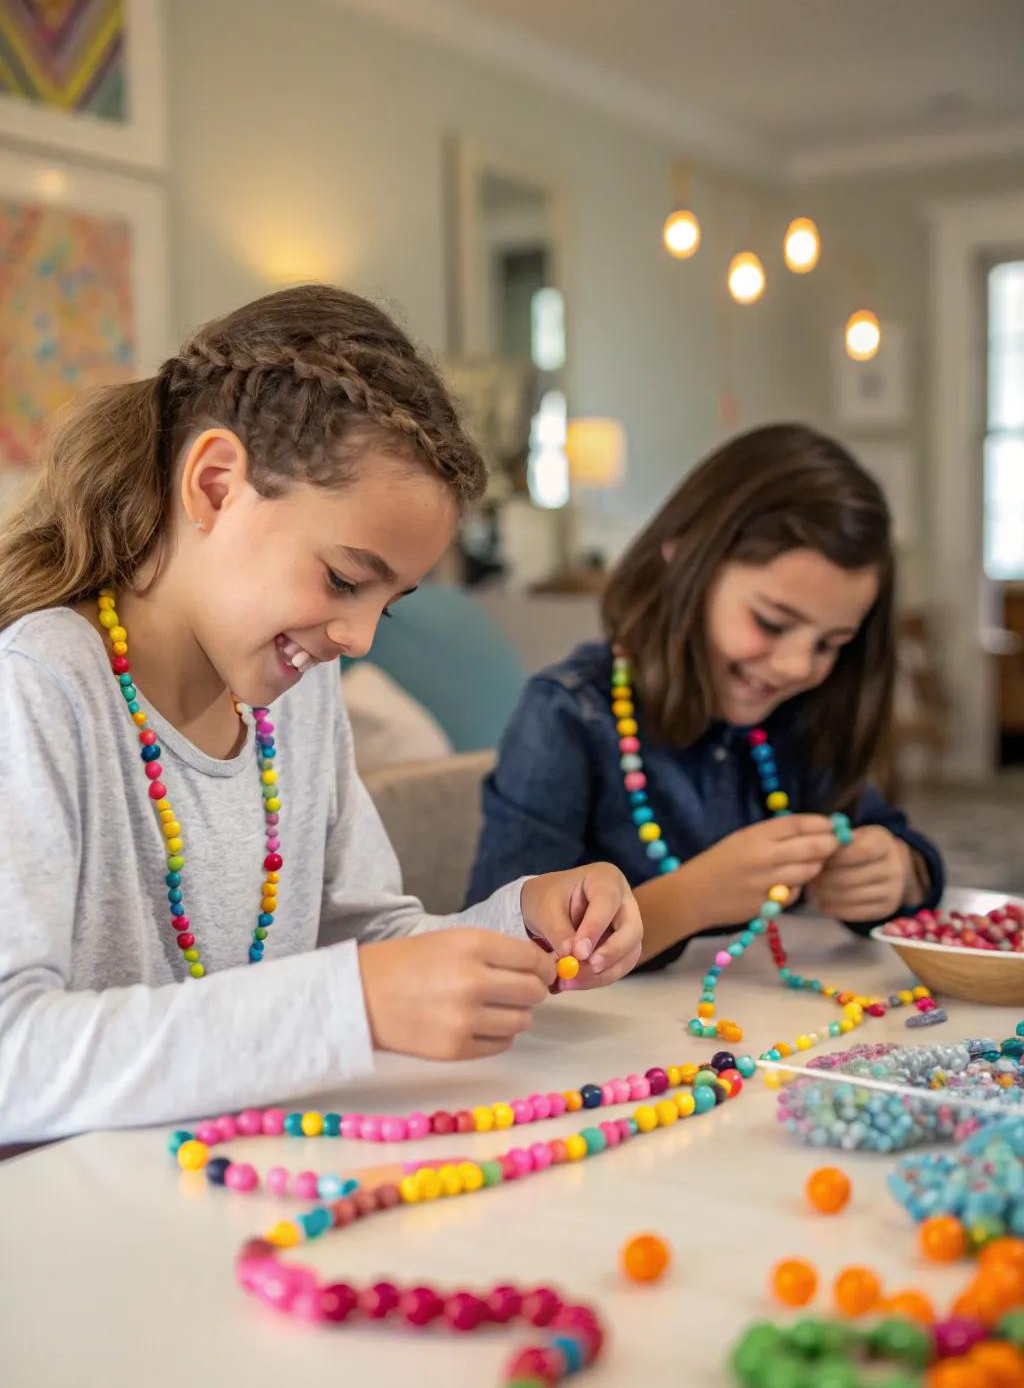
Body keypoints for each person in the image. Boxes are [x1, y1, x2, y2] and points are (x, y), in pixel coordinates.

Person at [0, 285, 641, 1144]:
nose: (362, 636)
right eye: (344, 579)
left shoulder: (293, 699)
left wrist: (522, 919)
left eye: (391, 602)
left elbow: (369, 936)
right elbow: (15, 1058)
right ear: (217, 484)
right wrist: (354, 1004)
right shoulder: (40, 685)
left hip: (242, 1191)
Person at [468, 424, 942, 969]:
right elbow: (497, 942)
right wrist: (692, 899)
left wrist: (900, 871)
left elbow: (893, 838)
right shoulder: (569, 715)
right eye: (771, 622)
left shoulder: (803, 715)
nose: (795, 666)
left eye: (830, 644)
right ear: (686, 559)